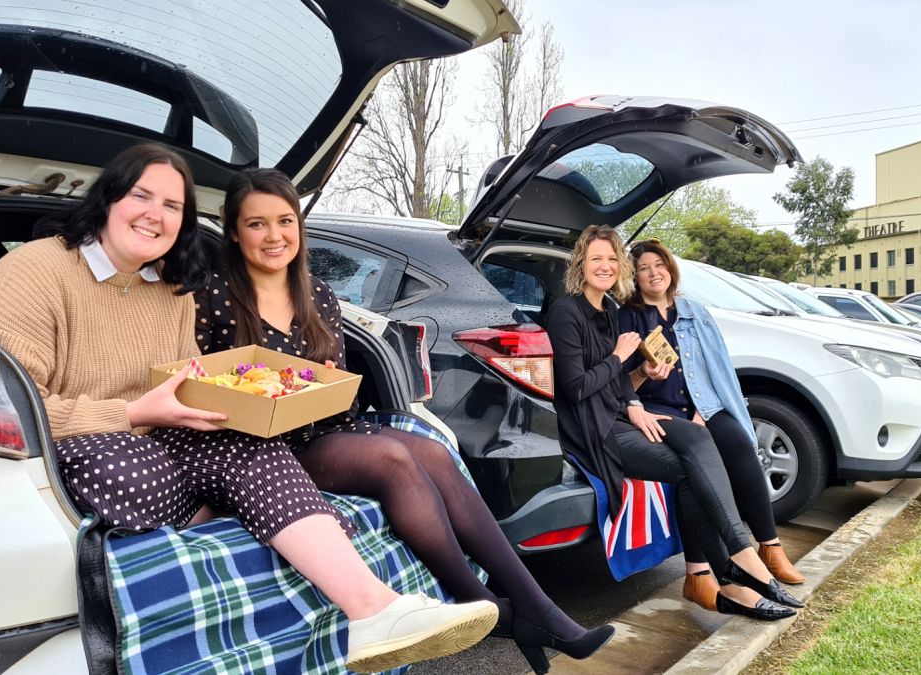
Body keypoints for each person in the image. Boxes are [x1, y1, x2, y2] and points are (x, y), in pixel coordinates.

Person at [0, 144, 496, 673]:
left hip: (160, 429)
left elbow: (191, 379)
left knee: (244, 439)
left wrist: (239, 400)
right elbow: (1, 407)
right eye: (142, 195)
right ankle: (234, 516)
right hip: (80, 442)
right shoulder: (31, 274)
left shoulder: (167, 288)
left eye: (173, 206)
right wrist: (129, 415)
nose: (156, 214)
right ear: (107, 198)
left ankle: (372, 610)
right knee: (131, 467)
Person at [195, 168, 614, 674]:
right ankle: (481, 602)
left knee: (434, 452)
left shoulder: (319, 295)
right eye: (256, 224)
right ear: (234, 231)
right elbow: (202, 381)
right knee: (393, 456)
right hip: (258, 446)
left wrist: (327, 382)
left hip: (318, 429)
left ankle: (537, 609)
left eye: (285, 221)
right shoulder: (213, 296)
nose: (273, 235)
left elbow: (340, 395)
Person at [544, 225, 801, 622]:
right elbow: (576, 388)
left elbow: (619, 382)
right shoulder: (566, 312)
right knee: (688, 470)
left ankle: (718, 572)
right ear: (581, 262)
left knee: (698, 442)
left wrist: (639, 386)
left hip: (619, 416)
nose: (606, 266)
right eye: (597, 258)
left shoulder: (609, 312)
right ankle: (738, 564)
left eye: (612, 259)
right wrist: (618, 358)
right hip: (595, 431)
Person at [619, 239, 805, 609]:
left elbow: (716, 367)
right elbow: (622, 382)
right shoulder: (629, 317)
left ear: (670, 268)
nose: (654, 272)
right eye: (644, 268)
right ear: (635, 277)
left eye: (659, 264)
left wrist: (706, 411)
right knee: (696, 460)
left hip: (703, 403)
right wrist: (644, 374)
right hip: (659, 409)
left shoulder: (694, 312)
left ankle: (769, 546)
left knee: (737, 441)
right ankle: (701, 571)